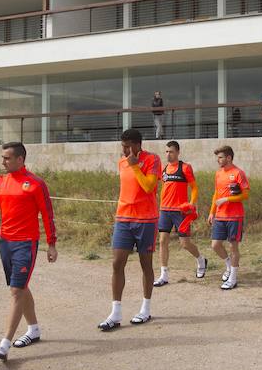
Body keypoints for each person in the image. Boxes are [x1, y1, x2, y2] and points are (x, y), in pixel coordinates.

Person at [0, 142, 57, 359]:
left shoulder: (35, 183)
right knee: (20, 288)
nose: (2, 162)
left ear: (20, 159)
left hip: (26, 243)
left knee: (16, 291)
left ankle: (4, 344)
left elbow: (47, 214)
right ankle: (33, 329)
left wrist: (51, 244)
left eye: (7, 158)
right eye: (2, 157)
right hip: (5, 243)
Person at [99, 129, 161, 330]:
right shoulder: (121, 162)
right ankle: (115, 313)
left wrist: (135, 167)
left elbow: (149, 187)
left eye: (127, 147)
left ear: (137, 145)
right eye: (122, 147)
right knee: (117, 263)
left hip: (147, 220)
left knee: (146, 264)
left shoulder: (152, 160)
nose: (124, 150)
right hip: (124, 218)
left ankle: (146, 308)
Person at [154, 140, 207, 287]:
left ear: (177, 152)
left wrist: (192, 203)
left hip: (180, 211)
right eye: (166, 152)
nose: (168, 154)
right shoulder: (164, 169)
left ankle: (201, 260)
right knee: (162, 241)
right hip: (164, 210)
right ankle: (164, 275)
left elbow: (194, 188)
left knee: (185, 243)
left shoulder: (185, 168)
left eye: (171, 151)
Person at [209, 145, 250, 290]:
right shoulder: (218, 173)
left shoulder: (238, 173)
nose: (218, 160)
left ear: (229, 158)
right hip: (220, 215)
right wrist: (212, 211)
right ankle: (228, 265)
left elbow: (245, 194)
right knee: (215, 245)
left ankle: (233, 279)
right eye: (217, 157)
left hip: (235, 216)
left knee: (233, 247)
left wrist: (227, 200)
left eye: (220, 157)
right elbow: (216, 193)